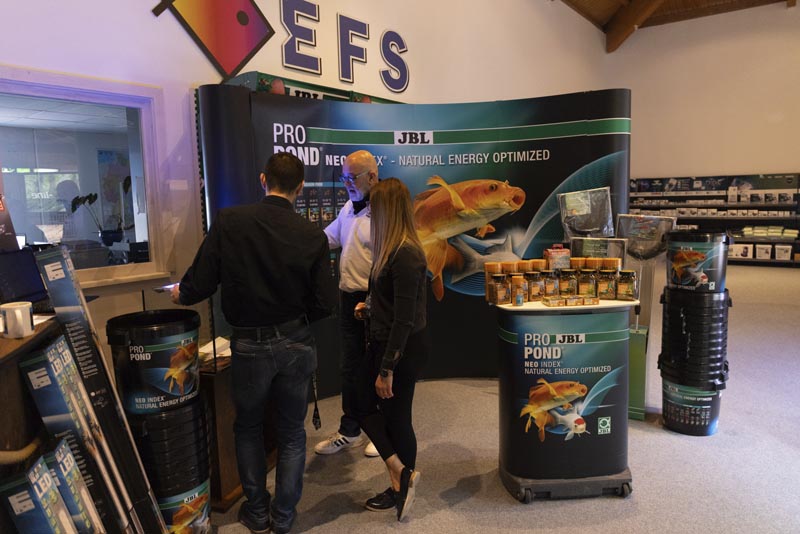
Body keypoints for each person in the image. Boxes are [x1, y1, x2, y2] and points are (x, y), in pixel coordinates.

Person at [170, 152, 334, 534]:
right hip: (296, 341)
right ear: (300, 187)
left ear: (263, 180)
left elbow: (200, 282)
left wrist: (181, 294)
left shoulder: (230, 221)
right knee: (292, 432)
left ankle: (257, 512)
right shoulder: (312, 234)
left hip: (248, 344)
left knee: (248, 427)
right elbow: (326, 302)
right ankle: (284, 516)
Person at [355, 178, 429, 521]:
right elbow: (392, 306)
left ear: (388, 212)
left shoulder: (406, 255)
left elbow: (404, 320)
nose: (370, 215)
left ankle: (401, 483)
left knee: (397, 418)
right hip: (385, 342)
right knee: (360, 403)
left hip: (399, 349)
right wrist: (369, 309)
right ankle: (400, 472)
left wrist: (387, 369)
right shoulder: (391, 251)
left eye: (374, 210)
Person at [314, 150, 380, 458]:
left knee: (377, 366)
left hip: (374, 299)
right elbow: (327, 239)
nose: (347, 183)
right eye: (344, 178)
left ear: (372, 176)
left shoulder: (385, 211)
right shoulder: (348, 208)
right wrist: (295, 242)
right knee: (350, 367)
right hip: (348, 298)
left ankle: (381, 432)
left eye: (352, 178)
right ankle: (350, 430)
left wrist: (374, 301)